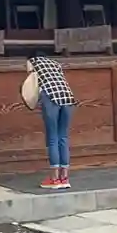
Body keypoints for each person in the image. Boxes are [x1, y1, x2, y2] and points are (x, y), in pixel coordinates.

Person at [28, 51, 77, 190]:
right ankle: (64, 178)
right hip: (68, 98)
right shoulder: (56, 64)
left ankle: (54, 179)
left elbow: (30, 84)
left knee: (52, 138)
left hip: (51, 97)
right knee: (63, 137)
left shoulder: (33, 62)